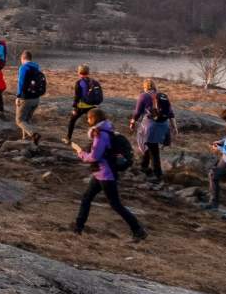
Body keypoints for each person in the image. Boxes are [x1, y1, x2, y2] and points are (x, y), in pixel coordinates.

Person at [74, 108, 146, 241]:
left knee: (115, 204)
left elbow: (95, 156)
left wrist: (81, 153)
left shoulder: (101, 134)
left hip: (106, 173)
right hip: (100, 173)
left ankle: (138, 230)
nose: (87, 121)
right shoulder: (107, 129)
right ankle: (78, 228)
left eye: (89, 118)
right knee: (86, 198)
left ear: (94, 118)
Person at [131, 79, 173, 182]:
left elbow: (138, 112)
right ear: (154, 86)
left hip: (151, 126)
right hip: (163, 124)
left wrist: (133, 121)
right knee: (149, 145)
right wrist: (173, 127)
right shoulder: (162, 96)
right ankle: (144, 166)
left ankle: (157, 174)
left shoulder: (143, 96)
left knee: (153, 149)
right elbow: (170, 112)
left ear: (145, 87)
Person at [13, 51, 44, 144]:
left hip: (26, 98)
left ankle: (34, 134)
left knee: (19, 120)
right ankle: (25, 139)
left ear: (23, 58)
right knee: (26, 120)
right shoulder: (37, 67)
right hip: (36, 98)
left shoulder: (24, 68)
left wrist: (18, 96)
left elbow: (21, 83)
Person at [66, 65, 102, 142]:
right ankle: (95, 141)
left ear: (79, 72)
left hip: (81, 106)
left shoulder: (79, 82)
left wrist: (74, 108)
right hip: (92, 107)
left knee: (72, 121)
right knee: (93, 124)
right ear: (88, 72)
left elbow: (77, 96)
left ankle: (68, 138)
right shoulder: (94, 82)